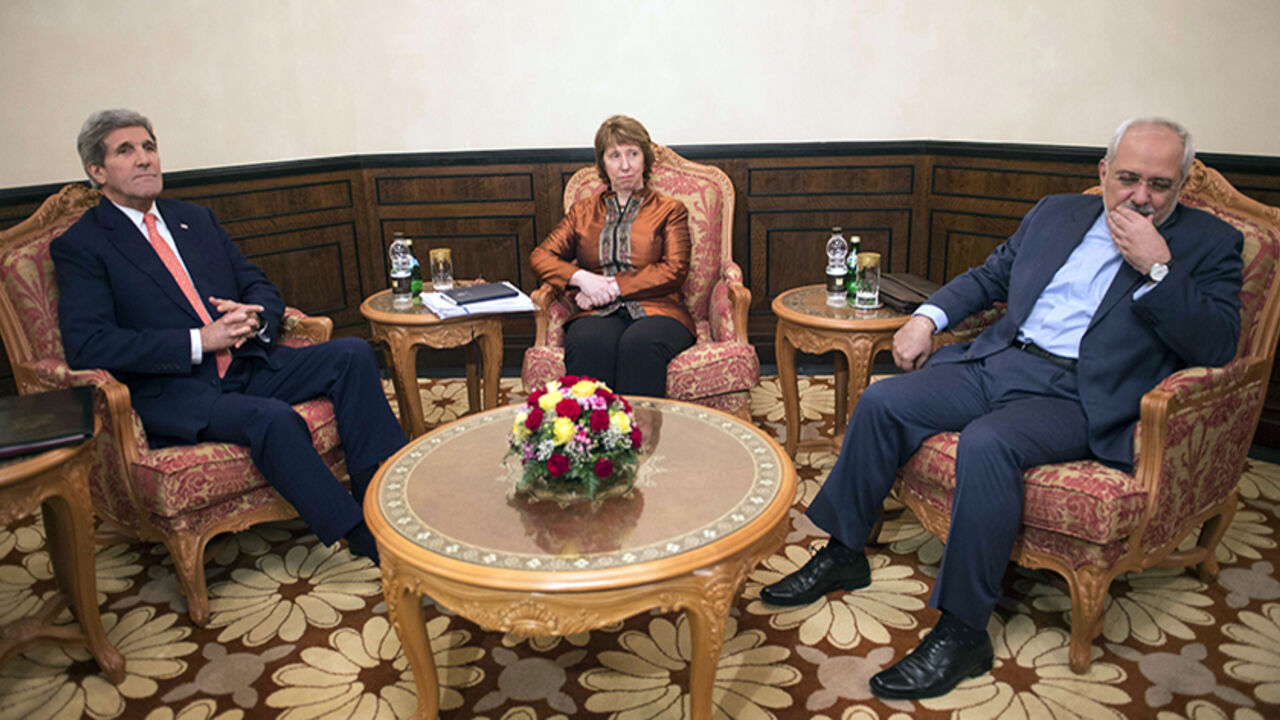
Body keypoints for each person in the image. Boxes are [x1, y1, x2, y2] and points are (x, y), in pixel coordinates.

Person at [760, 117, 1244, 699]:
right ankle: (843, 552)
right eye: (1128, 179)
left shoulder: (1211, 243)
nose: (1141, 196)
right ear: (1103, 172)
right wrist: (926, 318)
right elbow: (991, 276)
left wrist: (1158, 268)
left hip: (1082, 393)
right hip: (1001, 361)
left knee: (989, 443)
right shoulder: (1056, 213)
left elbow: (1218, 347)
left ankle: (964, 632)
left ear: (1182, 185)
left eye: (1160, 185)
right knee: (884, 400)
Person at [51, 109, 407, 565]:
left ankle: (381, 503)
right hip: (178, 390)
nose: (144, 159)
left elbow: (258, 284)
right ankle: (362, 535)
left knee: (353, 354)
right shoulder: (83, 245)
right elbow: (90, 345)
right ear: (97, 171)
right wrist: (199, 340)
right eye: (126, 151)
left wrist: (255, 317)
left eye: (149, 147)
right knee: (274, 420)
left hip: (246, 364)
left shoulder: (194, 220)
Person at [530, 115, 695, 397]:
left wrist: (612, 287)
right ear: (603, 163)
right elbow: (541, 256)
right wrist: (582, 280)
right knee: (588, 342)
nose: (625, 165)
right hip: (596, 311)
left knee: (639, 344)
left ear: (645, 159)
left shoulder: (670, 210)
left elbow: (675, 269)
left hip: (659, 310)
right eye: (615, 155)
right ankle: (590, 426)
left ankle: (641, 427)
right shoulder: (583, 212)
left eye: (633, 154)